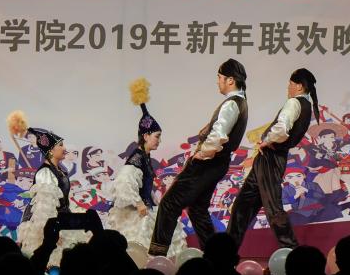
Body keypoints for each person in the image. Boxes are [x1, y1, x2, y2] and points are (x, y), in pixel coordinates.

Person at [149, 59, 249, 255]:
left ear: (230, 80)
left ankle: (157, 255)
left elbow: (218, 135)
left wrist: (201, 154)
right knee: (197, 210)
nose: (217, 81)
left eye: (219, 77)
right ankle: (217, 257)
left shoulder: (232, 104)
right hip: (217, 164)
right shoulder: (240, 102)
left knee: (169, 203)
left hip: (207, 163)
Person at [227, 68, 319, 249]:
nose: (288, 88)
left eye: (290, 84)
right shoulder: (307, 106)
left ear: (299, 86)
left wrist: (266, 140)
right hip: (271, 159)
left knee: (273, 209)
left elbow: (282, 129)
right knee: (242, 206)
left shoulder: (294, 102)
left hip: (271, 157)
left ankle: (292, 252)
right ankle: (227, 250)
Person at [106, 78, 186, 256]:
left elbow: (144, 185)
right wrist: (139, 203)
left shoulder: (145, 157)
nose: (159, 140)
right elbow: (123, 182)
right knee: (139, 251)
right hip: (137, 217)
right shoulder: (137, 157)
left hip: (146, 212)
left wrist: (154, 201)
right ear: (146, 135)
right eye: (157, 136)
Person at [12, 112, 88, 262]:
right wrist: (52, 232)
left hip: (62, 220)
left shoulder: (60, 171)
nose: (65, 148)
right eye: (61, 145)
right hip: (52, 225)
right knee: (52, 262)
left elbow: (65, 201)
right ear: (51, 150)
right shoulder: (45, 173)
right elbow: (44, 209)